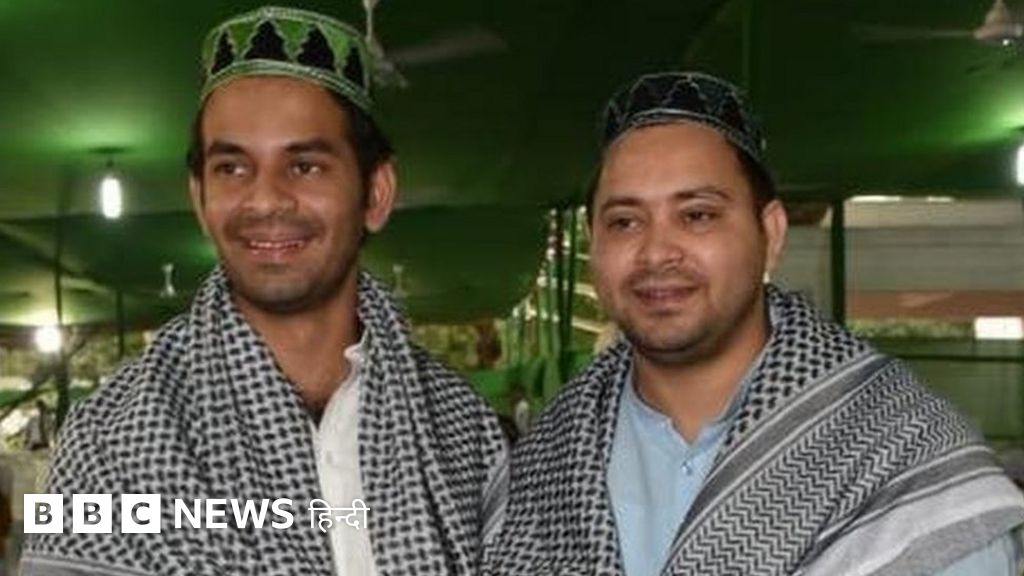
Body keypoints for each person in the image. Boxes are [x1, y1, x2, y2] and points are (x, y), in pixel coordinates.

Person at [22, 7, 506, 575]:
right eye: (232, 168)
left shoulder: (461, 430)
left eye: (305, 166)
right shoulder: (110, 440)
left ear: (375, 193)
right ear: (200, 198)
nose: (265, 199)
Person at [485, 72, 1024, 575]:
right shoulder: (546, 466)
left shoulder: (902, 458)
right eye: (625, 222)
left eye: (697, 215)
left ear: (771, 233)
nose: (656, 252)